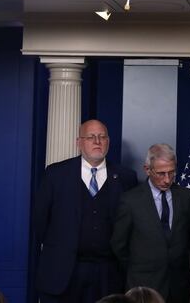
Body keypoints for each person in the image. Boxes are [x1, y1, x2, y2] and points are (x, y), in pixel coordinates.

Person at [33, 119, 137, 303]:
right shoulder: (56, 174)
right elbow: (40, 222)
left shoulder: (126, 178)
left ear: (108, 142)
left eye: (102, 137)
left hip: (109, 275)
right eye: (91, 137)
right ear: (79, 142)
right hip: (63, 273)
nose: (97, 141)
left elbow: (132, 228)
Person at [111, 144, 190, 303]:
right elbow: (119, 245)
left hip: (179, 286)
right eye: (161, 173)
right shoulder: (130, 201)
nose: (167, 179)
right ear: (147, 169)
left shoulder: (186, 197)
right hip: (143, 286)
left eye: (171, 173)